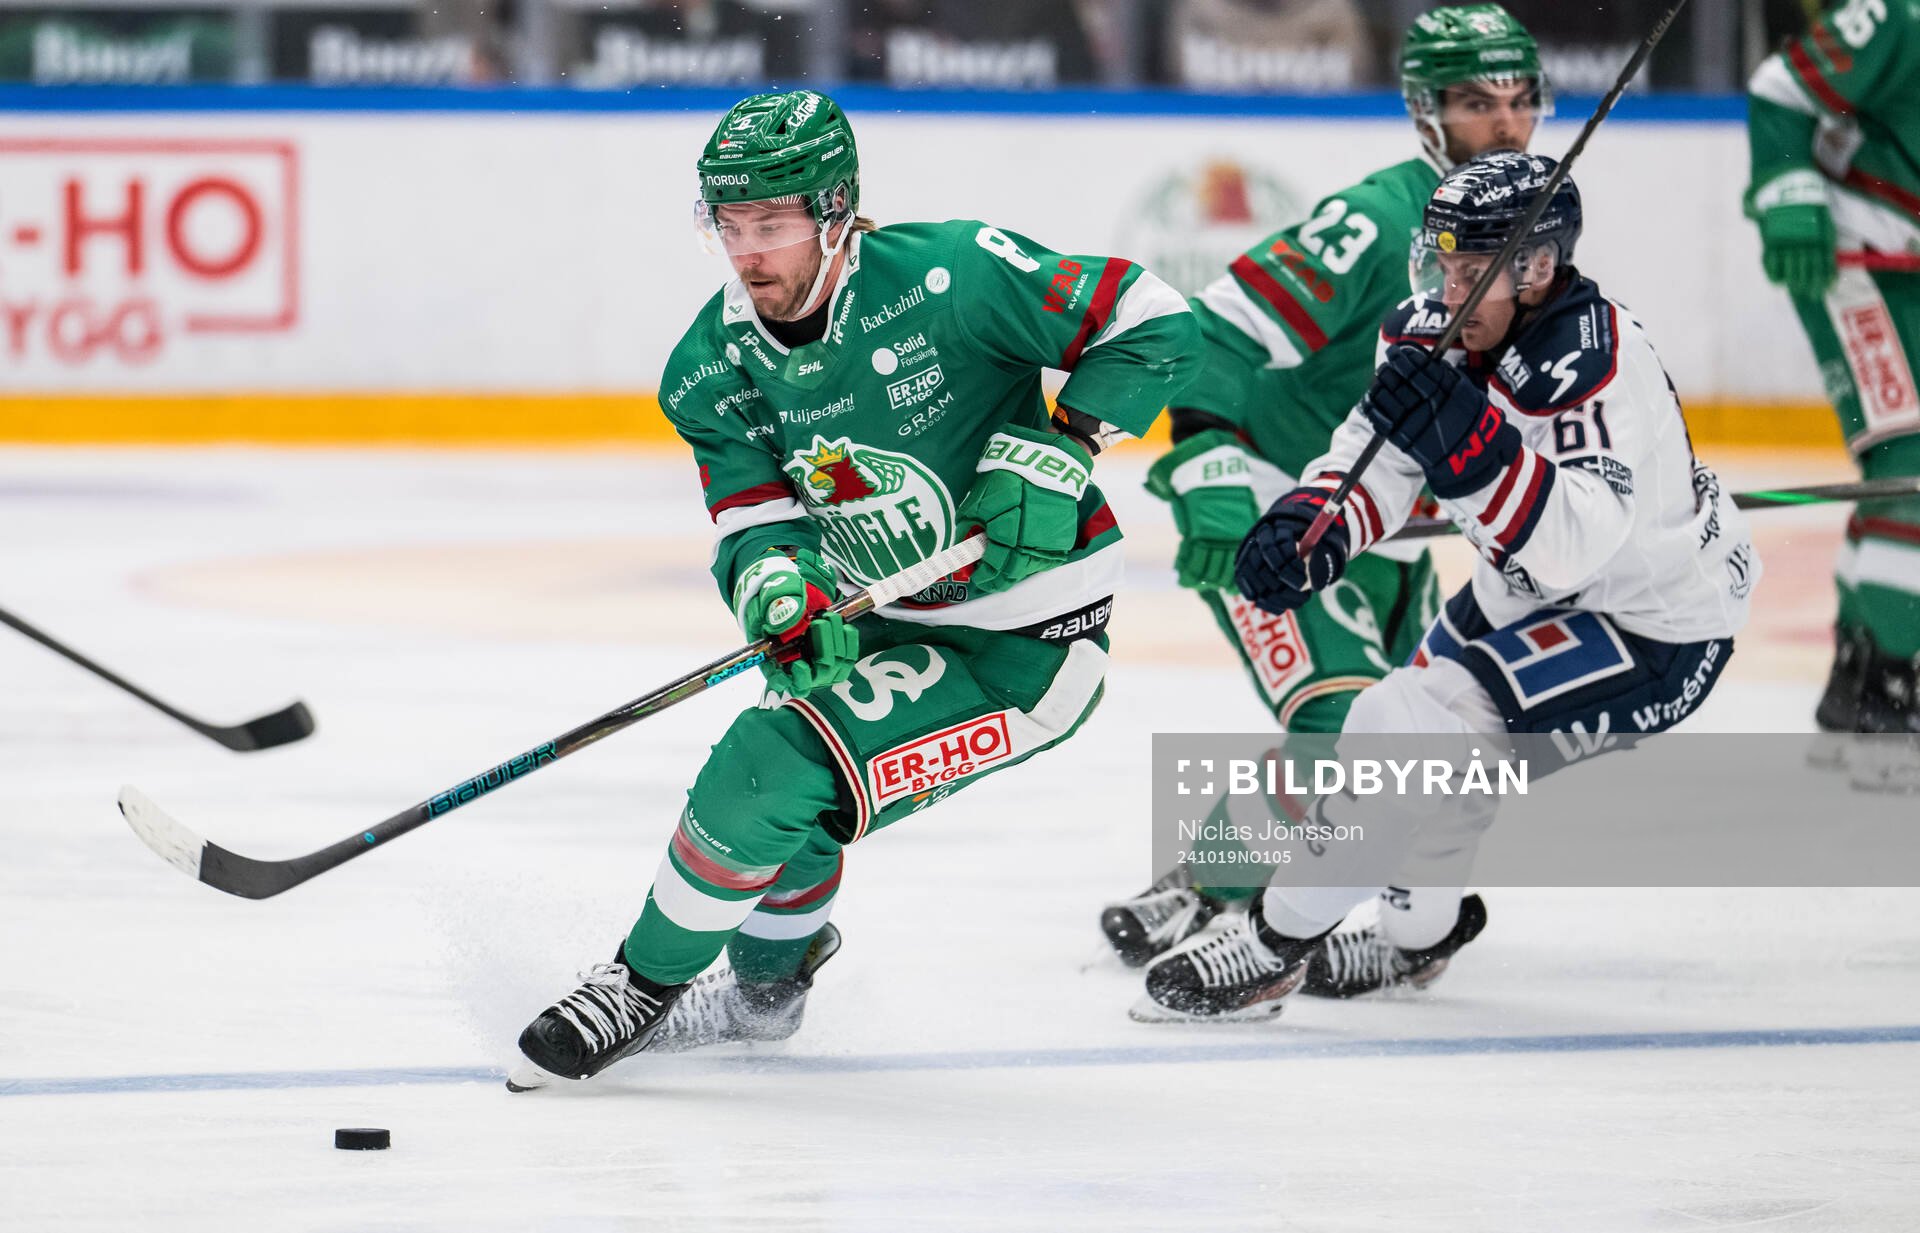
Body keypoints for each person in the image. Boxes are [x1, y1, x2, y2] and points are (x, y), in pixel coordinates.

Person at [508, 89, 1199, 1087]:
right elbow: (754, 523)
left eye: (774, 227)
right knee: (785, 802)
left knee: (771, 760)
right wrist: (781, 591)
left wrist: (1068, 443)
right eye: (731, 227)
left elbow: (1153, 317)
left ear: (836, 214)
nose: (750, 255)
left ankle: (639, 987)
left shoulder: (953, 275)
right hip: (883, 623)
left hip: (1026, 645)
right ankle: (764, 999)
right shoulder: (710, 366)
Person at [1136, 150, 1757, 1021]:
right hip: (1533, 596)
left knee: (1401, 726)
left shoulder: (1593, 366)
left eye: (1473, 271)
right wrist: (1319, 523)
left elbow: (1571, 546)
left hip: (1654, 629)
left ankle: (1273, 946)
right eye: (1442, 262)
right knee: (1438, 763)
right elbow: (1381, 445)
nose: (1447, 285)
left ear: (1537, 269)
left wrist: (1470, 446)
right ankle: (1416, 939)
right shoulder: (1440, 326)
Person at [1099, 3, 1546, 994]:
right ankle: (1227, 903)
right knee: (1345, 729)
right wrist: (1211, 469)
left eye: (1522, 101)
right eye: (1478, 103)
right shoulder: (1381, 219)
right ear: (1427, 113)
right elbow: (1215, 328)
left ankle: (1319, 904)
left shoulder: (1540, 246)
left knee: (1438, 745)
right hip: (1282, 502)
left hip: (1382, 528)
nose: (1507, 127)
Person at [1746, 0, 1920, 787]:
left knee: (1901, 467)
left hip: (1897, 258)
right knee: (1914, 464)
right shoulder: (1901, 15)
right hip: (1853, 253)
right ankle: (1893, 701)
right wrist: (1786, 186)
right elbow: (1780, 89)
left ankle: (1856, 692)